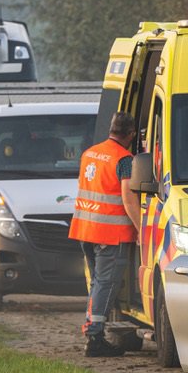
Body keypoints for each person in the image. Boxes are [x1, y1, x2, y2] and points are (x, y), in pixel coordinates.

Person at [68, 112, 140, 357]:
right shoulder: (125, 159)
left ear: (111, 129)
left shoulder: (90, 153)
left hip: (85, 229)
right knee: (106, 285)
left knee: (97, 284)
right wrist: (142, 228)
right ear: (130, 134)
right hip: (111, 234)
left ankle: (93, 329)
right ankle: (95, 336)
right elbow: (128, 200)